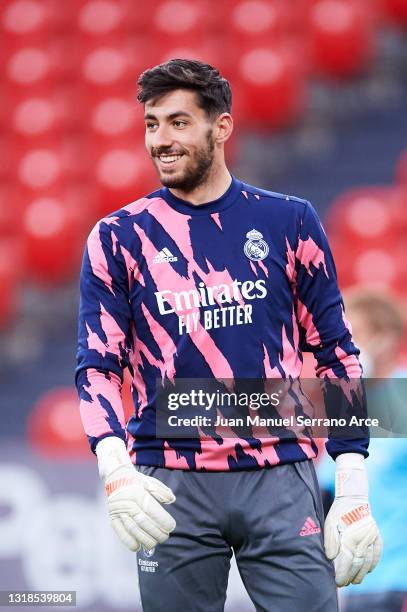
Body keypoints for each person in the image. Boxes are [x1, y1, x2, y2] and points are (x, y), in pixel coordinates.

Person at [75, 59, 382, 612]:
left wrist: (353, 482)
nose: (161, 140)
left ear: (222, 127)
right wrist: (114, 466)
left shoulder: (289, 221)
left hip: (281, 471)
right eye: (151, 124)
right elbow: (98, 365)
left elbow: (336, 354)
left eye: (178, 122)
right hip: (169, 482)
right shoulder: (118, 238)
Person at [317, 288, 407, 612]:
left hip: (399, 581)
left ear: (387, 338)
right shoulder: (348, 410)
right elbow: (325, 494)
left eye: (357, 334)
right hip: (353, 584)